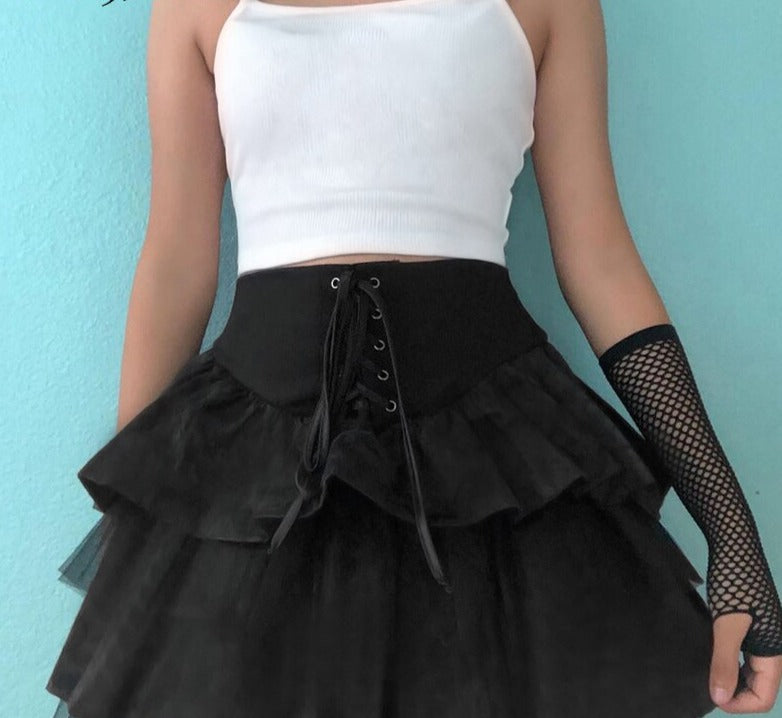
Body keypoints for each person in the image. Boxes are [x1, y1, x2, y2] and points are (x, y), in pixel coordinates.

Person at [46, 0, 782, 715]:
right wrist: (132, 524)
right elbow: (176, 262)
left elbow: (601, 262)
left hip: (493, 476)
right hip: (261, 467)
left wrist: (732, 533)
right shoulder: (195, 6)